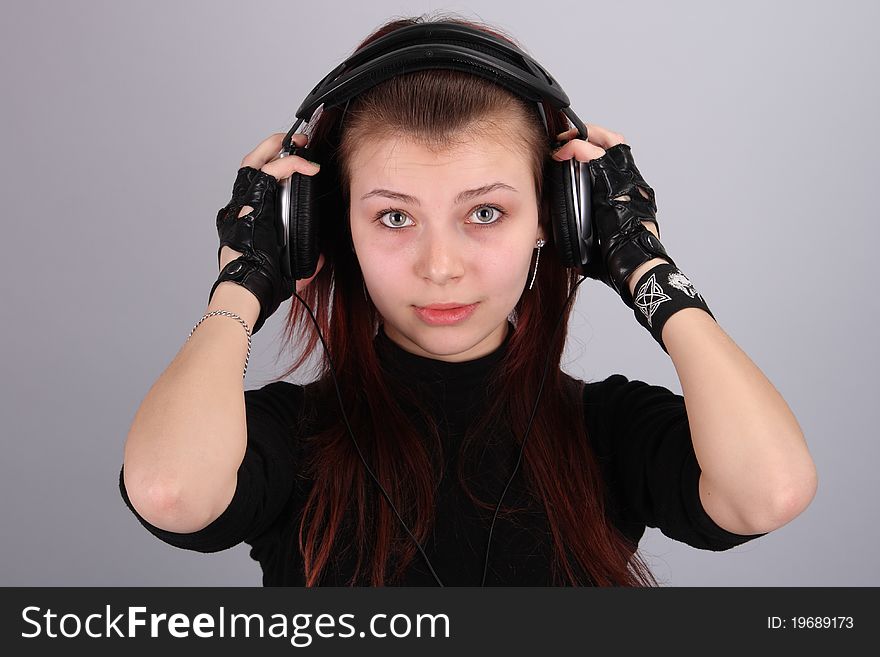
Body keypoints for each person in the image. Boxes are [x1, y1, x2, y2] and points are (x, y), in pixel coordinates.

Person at [118, 13, 817, 587]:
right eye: (394, 217)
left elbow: (770, 490)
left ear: (557, 217)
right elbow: (170, 492)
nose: (441, 267)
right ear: (331, 228)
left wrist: (646, 265)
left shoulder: (607, 430)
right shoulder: (291, 437)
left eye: (485, 213)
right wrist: (244, 281)